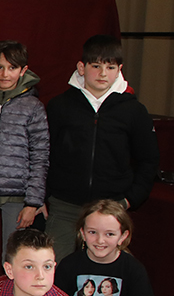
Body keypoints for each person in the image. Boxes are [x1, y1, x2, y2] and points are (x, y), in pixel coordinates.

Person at [44, 35, 159, 261]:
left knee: (104, 280)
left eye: (110, 66)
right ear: (81, 67)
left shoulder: (134, 111)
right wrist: (43, 195)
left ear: (119, 70)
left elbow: (149, 161)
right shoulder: (60, 106)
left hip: (110, 209)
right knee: (53, 272)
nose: (103, 73)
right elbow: (43, 154)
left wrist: (128, 200)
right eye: (96, 66)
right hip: (65, 206)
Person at [0, 41, 49, 288]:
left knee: (13, 255)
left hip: (17, 197)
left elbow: (41, 155)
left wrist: (33, 202)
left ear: (23, 71)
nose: (5, 74)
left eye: (12, 68)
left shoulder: (33, 107)